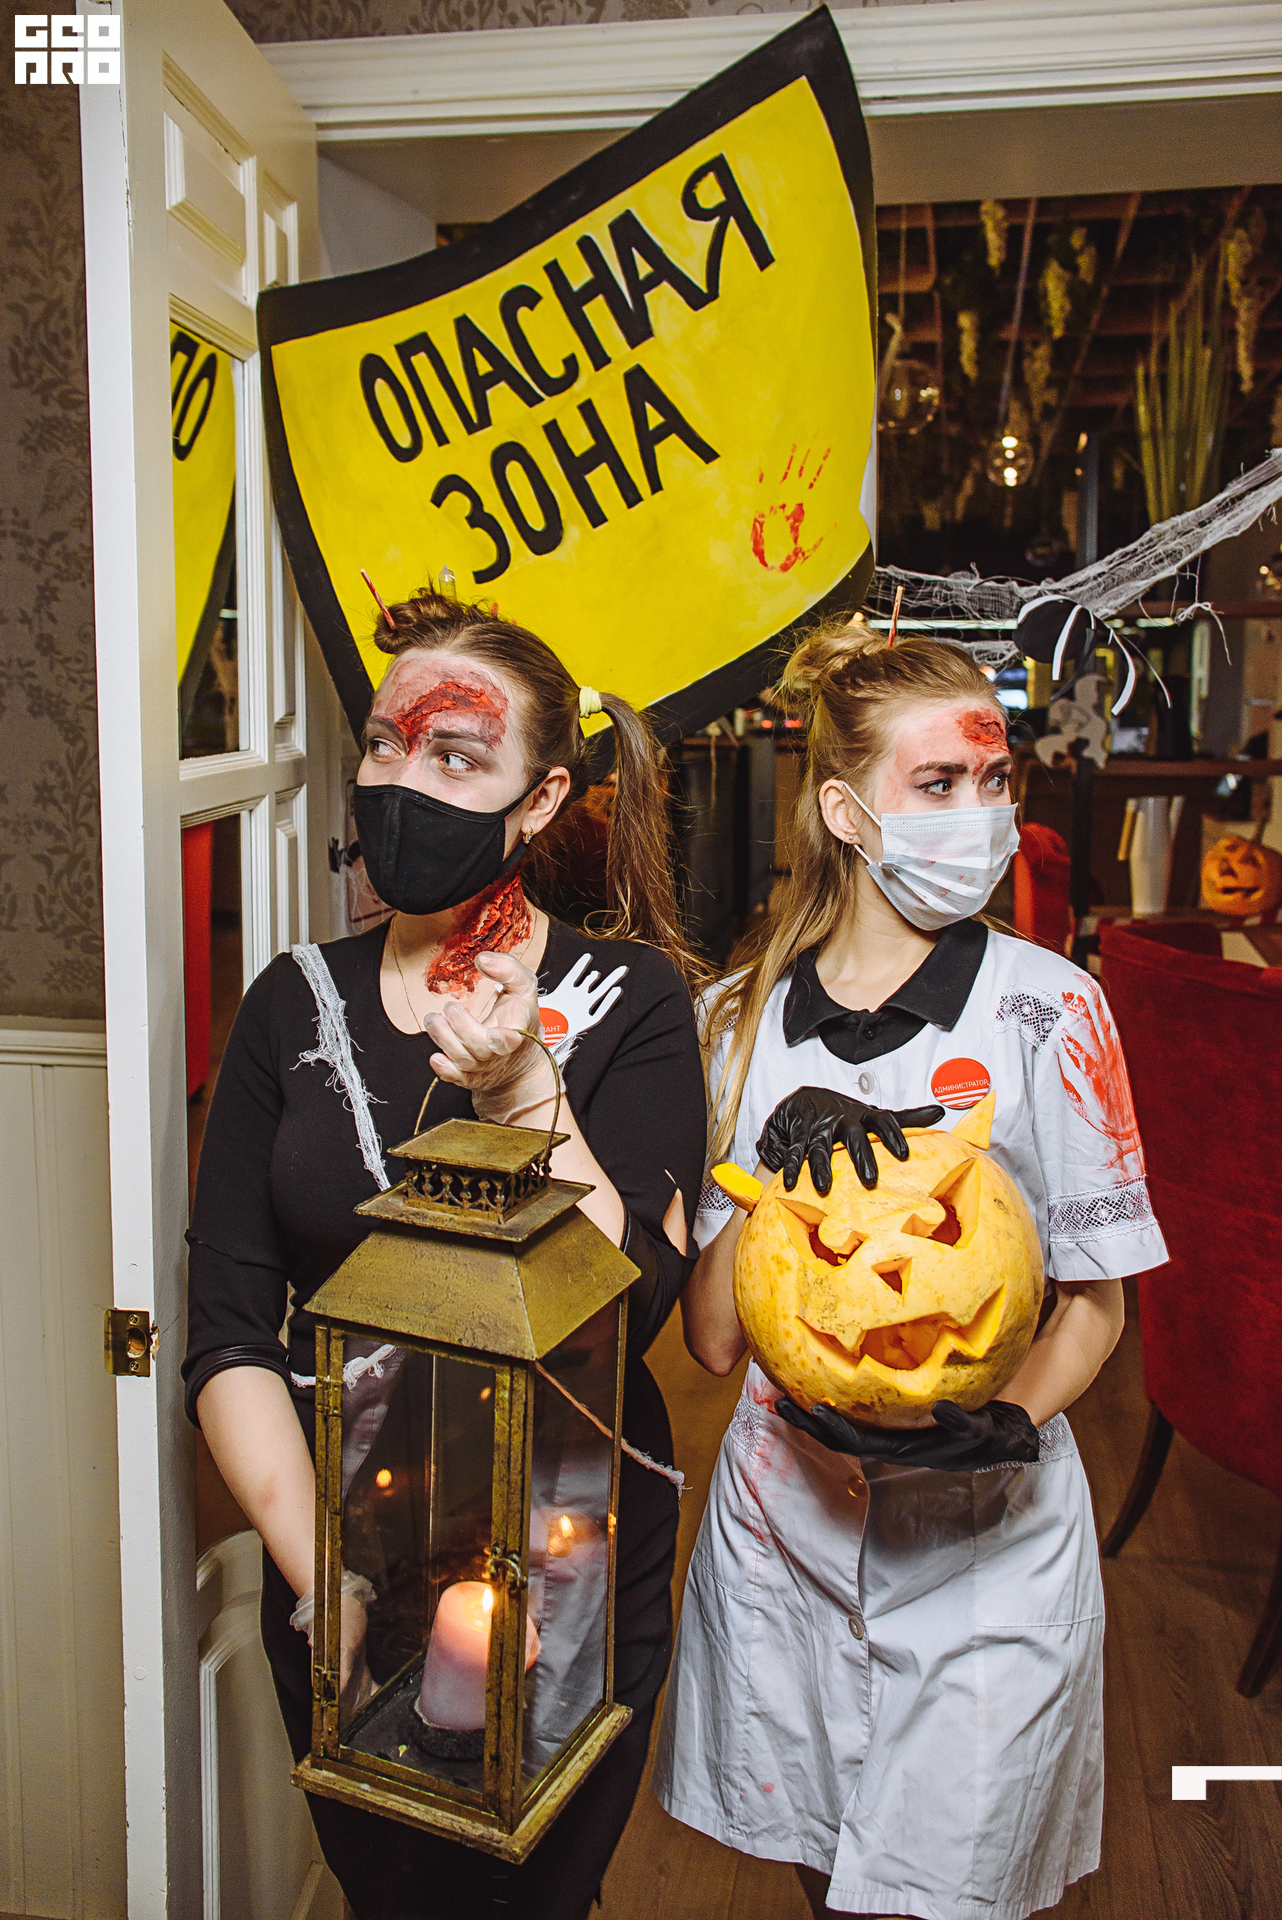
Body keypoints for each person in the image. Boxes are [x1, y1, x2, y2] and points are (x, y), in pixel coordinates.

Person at [183, 587, 708, 1920]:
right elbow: (230, 1329)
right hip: (332, 1549)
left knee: (536, 1896)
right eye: (384, 744)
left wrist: (526, 1089)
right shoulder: (290, 1004)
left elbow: (632, 1305)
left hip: (573, 1560)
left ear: (540, 800)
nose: (403, 784)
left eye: (456, 755)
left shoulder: (629, 1002)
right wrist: (329, 1581)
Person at [653, 626, 1168, 1920]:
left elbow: (1096, 1301)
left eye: (993, 781)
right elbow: (714, 1341)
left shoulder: (1053, 1010)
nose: (979, 814)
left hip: (985, 1546)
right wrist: (763, 1169)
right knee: (825, 1874)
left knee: (952, 1884)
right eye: (937, 784)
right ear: (844, 810)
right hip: (785, 1539)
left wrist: (1007, 1419)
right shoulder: (734, 1024)